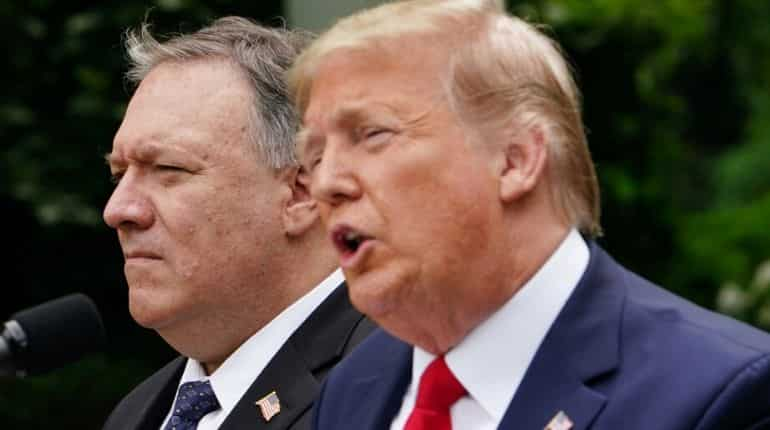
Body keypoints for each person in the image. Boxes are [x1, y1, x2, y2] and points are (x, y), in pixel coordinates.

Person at [287, 1, 770, 429]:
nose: (327, 183)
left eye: (371, 134)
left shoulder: (723, 395)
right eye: (314, 157)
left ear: (515, 161)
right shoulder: (352, 388)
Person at [102, 17, 374, 430]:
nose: (118, 210)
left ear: (303, 192)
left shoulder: (391, 382)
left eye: (168, 168)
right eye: (120, 175)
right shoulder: (137, 412)